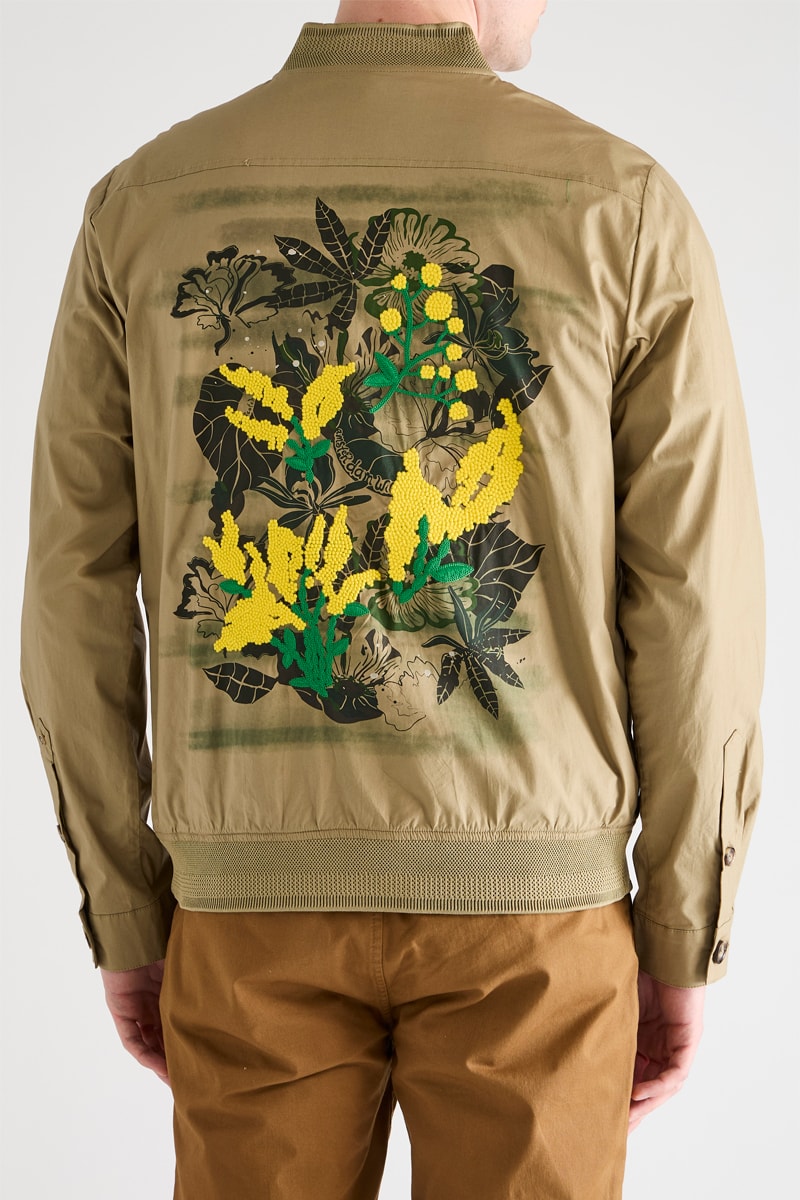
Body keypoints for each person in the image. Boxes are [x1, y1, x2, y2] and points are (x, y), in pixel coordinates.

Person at [19, 1, 766, 1196]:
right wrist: (685, 923)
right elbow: (696, 607)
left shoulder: (145, 203)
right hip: (536, 920)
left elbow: (72, 591)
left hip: (245, 910)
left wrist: (125, 907)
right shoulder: (620, 206)